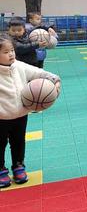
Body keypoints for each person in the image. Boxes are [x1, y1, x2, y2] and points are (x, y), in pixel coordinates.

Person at [0, 35, 61, 187]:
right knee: (0, 144)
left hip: (20, 115)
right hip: (1, 118)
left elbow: (39, 73)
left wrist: (55, 80)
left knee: (18, 142)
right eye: (6, 52)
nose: (11, 54)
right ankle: (1, 169)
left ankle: (18, 166)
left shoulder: (19, 66)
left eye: (12, 50)